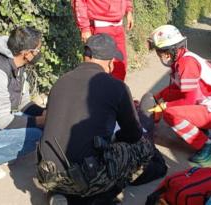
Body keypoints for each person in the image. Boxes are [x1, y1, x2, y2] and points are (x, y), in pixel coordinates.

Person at [35, 34, 154, 205]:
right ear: (110, 62)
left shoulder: (60, 82)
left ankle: (60, 193)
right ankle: (101, 195)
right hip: (86, 176)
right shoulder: (117, 87)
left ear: (85, 56)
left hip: (47, 173)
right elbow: (133, 135)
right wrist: (115, 139)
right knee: (144, 146)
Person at [147, 25, 211, 163]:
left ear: (171, 50)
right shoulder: (184, 59)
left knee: (171, 114)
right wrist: (157, 96)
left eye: (161, 53)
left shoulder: (186, 64)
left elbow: (189, 99)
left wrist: (163, 106)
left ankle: (207, 144)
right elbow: (178, 90)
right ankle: (203, 131)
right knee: (172, 102)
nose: (162, 57)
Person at [0, 27, 45, 181]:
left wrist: (44, 112)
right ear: (26, 53)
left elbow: (24, 103)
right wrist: (40, 121)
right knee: (35, 136)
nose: (39, 53)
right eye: (37, 50)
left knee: (34, 123)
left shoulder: (18, 65)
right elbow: (3, 121)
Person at [72, 0, 134, 81]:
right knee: (100, 71)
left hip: (118, 27)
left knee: (120, 67)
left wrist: (128, 10)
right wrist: (85, 28)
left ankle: (116, 92)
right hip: (100, 27)